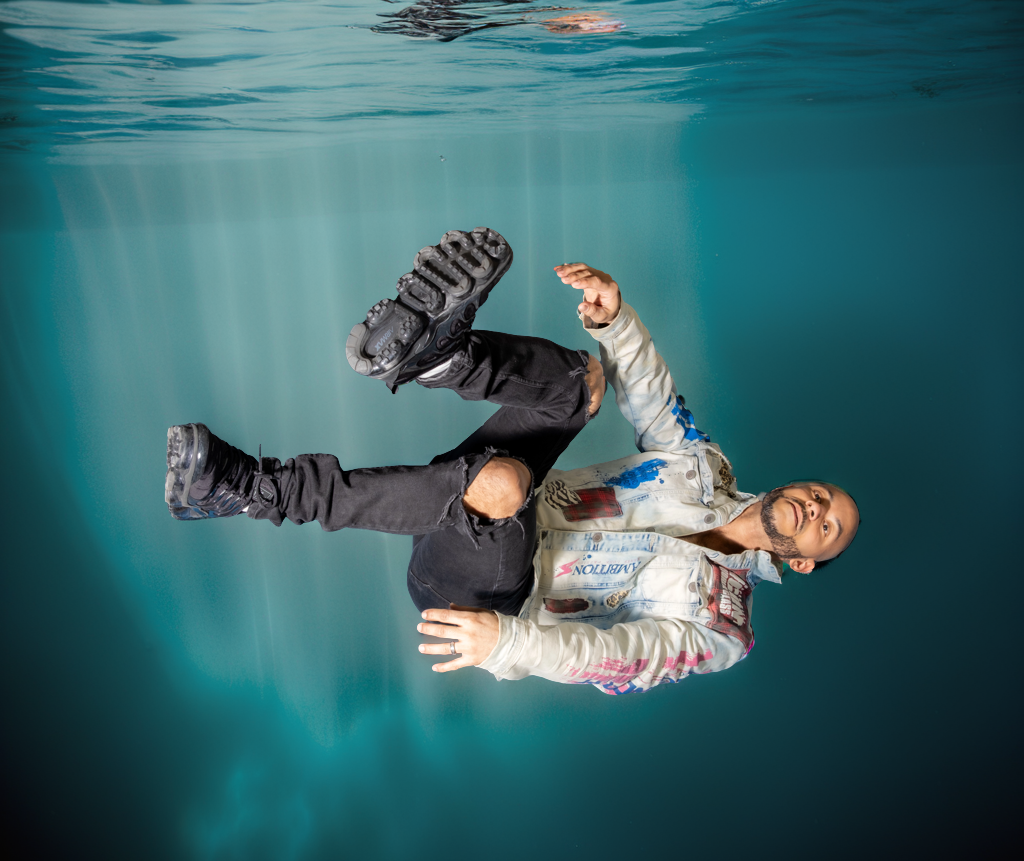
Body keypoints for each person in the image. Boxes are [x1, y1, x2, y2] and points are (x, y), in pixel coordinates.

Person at [165, 227, 859, 695]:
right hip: (515, 495)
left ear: (799, 560)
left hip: (492, 596)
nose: (817, 509)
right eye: (825, 496)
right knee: (582, 383)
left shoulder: (723, 629)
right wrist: (616, 319)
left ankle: (255, 491)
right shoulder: (706, 469)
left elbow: (625, 657)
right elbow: (650, 397)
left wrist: (507, 647)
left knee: (500, 486)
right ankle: (441, 357)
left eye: (826, 528)